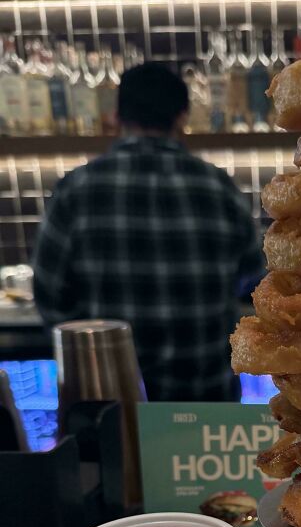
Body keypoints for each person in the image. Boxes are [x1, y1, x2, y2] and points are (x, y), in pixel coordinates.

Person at [33, 62, 264, 401]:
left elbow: (50, 296)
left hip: (111, 405)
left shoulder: (75, 190)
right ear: (182, 116)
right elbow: (255, 284)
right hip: (205, 404)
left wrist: (92, 356)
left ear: (116, 116)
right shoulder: (219, 188)